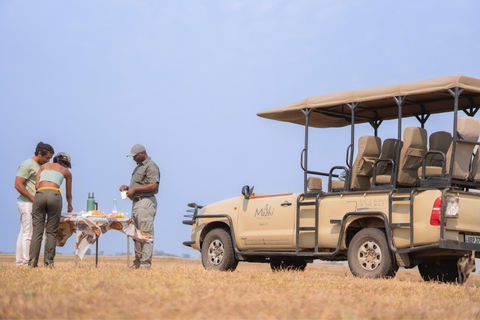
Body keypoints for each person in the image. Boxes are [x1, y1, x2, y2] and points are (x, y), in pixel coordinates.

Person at [28, 152, 73, 268]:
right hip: (54, 196)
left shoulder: (43, 167)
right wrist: (69, 204)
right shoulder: (66, 172)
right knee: (51, 232)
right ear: (64, 163)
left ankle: (32, 263)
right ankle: (49, 263)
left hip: (40, 195)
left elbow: (37, 186)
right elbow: (68, 194)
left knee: (37, 232)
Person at [120, 144, 160, 269]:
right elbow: (141, 184)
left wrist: (135, 189)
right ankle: (137, 263)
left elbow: (154, 186)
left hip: (145, 203)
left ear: (143, 153)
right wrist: (128, 188)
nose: (134, 159)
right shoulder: (139, 167)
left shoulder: (151, 166)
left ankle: (145, 265)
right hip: (137, 203)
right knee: (136, 235)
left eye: (135, 156)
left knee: (145, 234)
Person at [14, 142, 54, 267]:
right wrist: (33, 198)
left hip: (31, 203)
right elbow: (18, 184)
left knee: (24, 232)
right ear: (40, 153)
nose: (47, 161)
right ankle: (27, 262)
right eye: (47, 158)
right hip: (27, 203)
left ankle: (20, 262)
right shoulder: (27, 164)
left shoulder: (38, 165)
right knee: (29, 233)